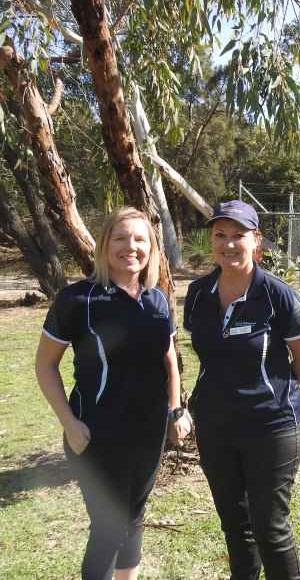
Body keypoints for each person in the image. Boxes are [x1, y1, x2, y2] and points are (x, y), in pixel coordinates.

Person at [34, 207, 192, 580]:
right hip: (95, 435)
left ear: (151, 248)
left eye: (140, 239)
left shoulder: (157, 299)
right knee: (108, 526)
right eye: (121, 238)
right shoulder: (77, 300)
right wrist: (69, 423)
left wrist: (174, 411)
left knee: (134, 517)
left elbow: (169, 361)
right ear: (105, 245)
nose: (130, 247)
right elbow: (45, 366)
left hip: (148, 433)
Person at [184, 200, 300, 580]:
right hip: (216, 427)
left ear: (255, 239)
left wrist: (270, 394)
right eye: (220, 235)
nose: (228, 244)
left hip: (271, 428)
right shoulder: (197, 293)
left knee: (269, 528)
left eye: (238, 235)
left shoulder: (278, 296)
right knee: (234, 525)